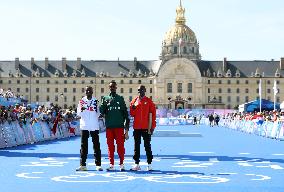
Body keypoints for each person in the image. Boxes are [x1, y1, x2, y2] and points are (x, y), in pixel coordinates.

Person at [100, 81, 130, 171]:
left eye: (113, 86)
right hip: (109, 127)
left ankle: (121, 164)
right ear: (109, 88)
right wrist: (106, 104)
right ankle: (111, 164)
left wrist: (126, 130)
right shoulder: (105, 98)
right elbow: (102, 111)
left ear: (116, 87)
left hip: (119, 127)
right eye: (110, 87)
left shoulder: (120, 98)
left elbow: (125, 114)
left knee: (120, 146)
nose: (112, 88)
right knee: (110, 146)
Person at [76, 86, 103, 171]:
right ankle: (82, 165)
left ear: (92, 92)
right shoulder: (81, 101)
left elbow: (98, 113)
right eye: (87, 90)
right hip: (85, 126)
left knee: (96, 145)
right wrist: (82, 110)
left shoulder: (95, 101)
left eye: (90, 90)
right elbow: (78, 113)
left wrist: (100, 113)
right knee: (84, 146)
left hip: (94, 125)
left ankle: (98, 165)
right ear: (85, 92)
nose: (88, 92)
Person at [129, 85, 156, 171]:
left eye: (141, 90)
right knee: (136, 146)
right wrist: (132, 108)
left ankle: (149, 164)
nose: (140, 91)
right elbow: (132, 114)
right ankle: (137, 164)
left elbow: (153, 114)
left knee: (147, 146)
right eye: (138, 90)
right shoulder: (134, 101)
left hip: (146, 127)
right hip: (136, 127)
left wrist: (152, 127)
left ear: (145, 90)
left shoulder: (149, 101)